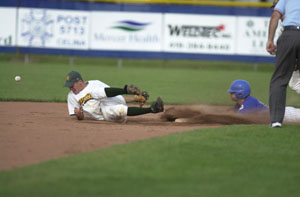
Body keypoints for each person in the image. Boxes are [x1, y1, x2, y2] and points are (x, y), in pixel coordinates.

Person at [64, 71, 164, 122]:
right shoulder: (71, 96)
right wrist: (79, 114)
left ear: (80, 82)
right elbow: (80, 118)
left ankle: (126, 90)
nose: (70, 88)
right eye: (69, 86)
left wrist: (135, 99)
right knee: (118, 109)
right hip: (104, 114)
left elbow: (112, 96)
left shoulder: (95, 83)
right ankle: (152, 109)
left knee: (95, 92)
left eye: (71, 85)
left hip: (110, 102)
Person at [266, 0, 300, 128]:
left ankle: (276, 121)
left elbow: (275, 15)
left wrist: (269, 40)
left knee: (279, 80)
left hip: (289, 35)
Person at [227, 80, 300, 126]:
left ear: (240, 93)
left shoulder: (249, 103)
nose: (230, 94)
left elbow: (237, 119)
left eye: (232, 92)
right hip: (278, 114)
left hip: (286, 114)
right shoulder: (239, 104)